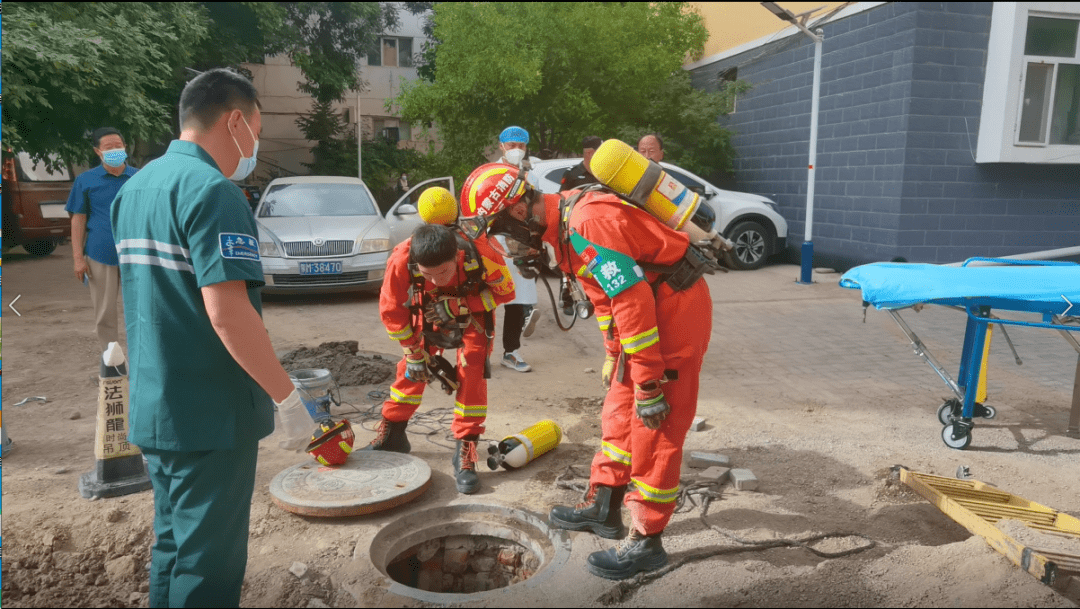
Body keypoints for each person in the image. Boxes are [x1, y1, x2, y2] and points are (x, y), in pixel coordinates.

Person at [111, 68, 318, 608]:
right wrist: (286, 396)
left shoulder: (134, 189)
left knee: (174, 548)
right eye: (256, 129)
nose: (255, 145)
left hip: (156, 404)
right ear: (234, 122)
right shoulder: (214, 192)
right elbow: (227, 314)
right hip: (209, 415)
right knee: (208, 568)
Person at [458, 159, 713, 581]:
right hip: (647, 310)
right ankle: (605, 506)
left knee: (657, 423)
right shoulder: (566, 227)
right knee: (618, 406)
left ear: (520, 212)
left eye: (502, 229)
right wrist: (616, 353)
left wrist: (648, 381)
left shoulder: (589, 221)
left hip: (673, 308)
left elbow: (632, 300)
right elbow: (606, 299)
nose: (508, 243)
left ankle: (647, 539)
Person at [370, 213, 516, 494]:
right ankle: (394, 435)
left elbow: (506, 292)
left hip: (471, 314)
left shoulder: (481, 252)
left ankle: (466, 451)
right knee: (410, 371)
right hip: (426, 313)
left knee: (472, 372)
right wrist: (413, 353)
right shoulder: (402, 257)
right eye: (428, 275)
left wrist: (461, 305)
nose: (437, 281)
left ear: (457, 256)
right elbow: (391, 310)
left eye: (444, 273)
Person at [65, 127, 137, 353]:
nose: (115, 150)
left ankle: (142, 357)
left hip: (136, 255)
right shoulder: (86, 180)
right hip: (100, 254)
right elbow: (78, 219)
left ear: (125, 147)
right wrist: (78, 258)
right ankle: (112, 360)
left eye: (118, 145)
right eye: (108, 147)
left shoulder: (139, 177)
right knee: (105, 312)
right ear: (98, 151)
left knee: (141, 309)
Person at [496, 126, 540, 371]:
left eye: (521, 146)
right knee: (486, 299)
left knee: (517, 298)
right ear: (501, 146)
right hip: (493, 244)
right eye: (512, 146)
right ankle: (477, 353)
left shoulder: (530, 174)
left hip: (520, 244)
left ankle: (510, 351)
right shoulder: (489, 173)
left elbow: (539, 206)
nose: (516, 150)